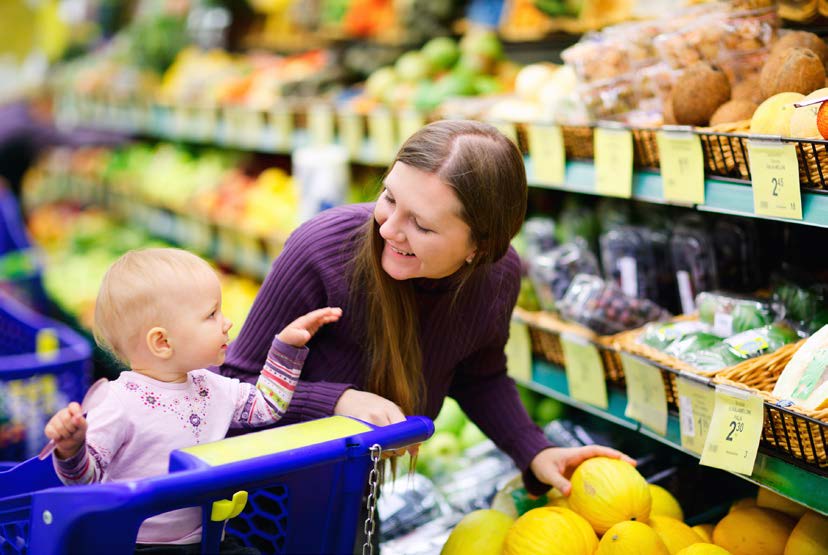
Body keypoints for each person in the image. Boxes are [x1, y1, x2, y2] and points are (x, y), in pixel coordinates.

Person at [220, 120, 634, 500]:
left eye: (422, 224)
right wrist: (336, 403)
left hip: (356, 491)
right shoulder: (321, 250)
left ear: (478, 247)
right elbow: (233, 385)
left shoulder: (497, 275)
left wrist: (534, 450)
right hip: (257, 496)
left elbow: (479, 375)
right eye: (389, 197)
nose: (387, 229)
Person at [43, 247, 342, 553]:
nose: (227, 323)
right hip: (138, 545)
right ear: (162, 342)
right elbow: (85, 483)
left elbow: (266, 407)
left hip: (210, 538)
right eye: (211, 314)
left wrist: (286, 348)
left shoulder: (211, 386)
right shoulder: (118, 403)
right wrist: (72, 448)